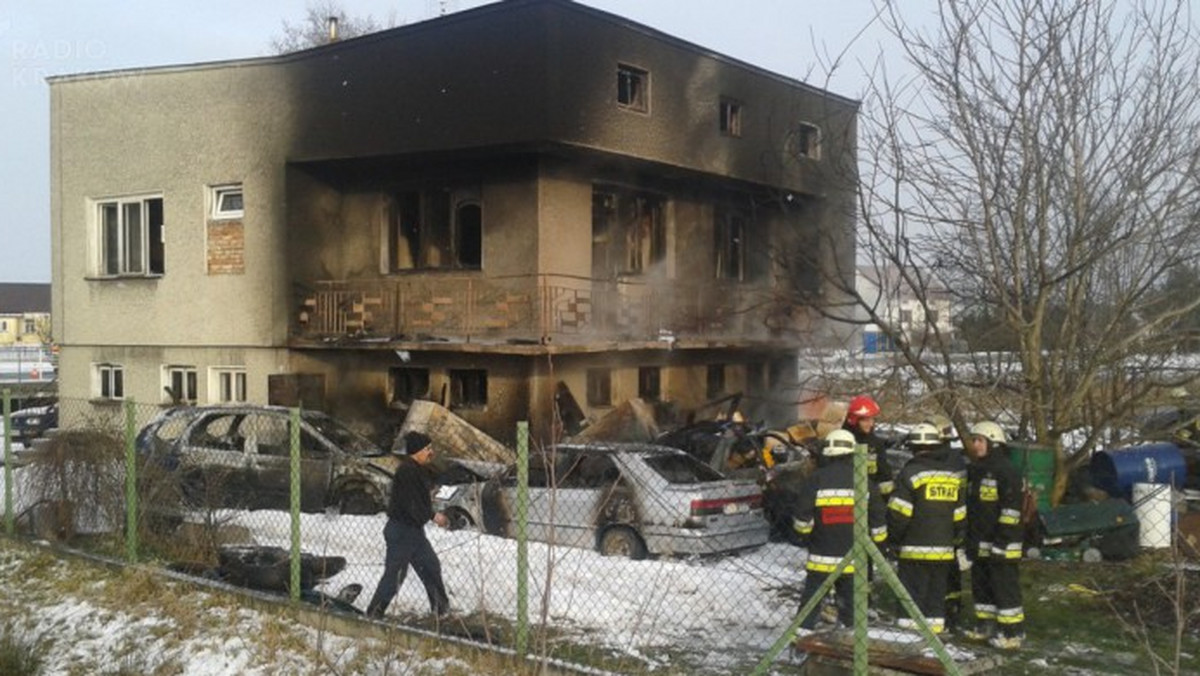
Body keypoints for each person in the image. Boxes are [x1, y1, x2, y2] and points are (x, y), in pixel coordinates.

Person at [792, 429, 888, 630]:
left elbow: (802, 517)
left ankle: (798, 643)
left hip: (821, 557)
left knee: (810, 606)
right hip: (855, 558)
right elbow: (878, 518)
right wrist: (879, 545)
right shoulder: (864, 482)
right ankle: (851, 643)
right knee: (852, 608)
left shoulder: (816, 480)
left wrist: (805, 537)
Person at [887, 423, 966, 635]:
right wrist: (955, 539)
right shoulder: (952, 477)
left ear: (913, 447)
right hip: (944, 551)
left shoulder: (910, 474)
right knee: (936, 596)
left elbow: (899, 514)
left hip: (913, 548)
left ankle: (908, 638)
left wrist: (893, 540)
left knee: (911, 595)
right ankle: (935, 640)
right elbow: (960, 516)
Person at [365, 430, 451, 619]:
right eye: (428, 448)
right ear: (417, 451)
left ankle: (441, 611)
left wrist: (429, 497)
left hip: (412, 531)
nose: (431, 452)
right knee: (395, 575)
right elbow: (412, 504)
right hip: (402, 531)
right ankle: (374, 613)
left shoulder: (415, 470)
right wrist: (433, 515)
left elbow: (417, 498)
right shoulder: (408, 471)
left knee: (430, 566)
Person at [963, 421, 1025, 649]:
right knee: (981, 585)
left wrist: (1002, 543)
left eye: (980, 441)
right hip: (981, 541)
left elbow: (1011, 511)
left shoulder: (1006, 471)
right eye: (974, 440)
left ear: (993, 443)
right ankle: (985, 626)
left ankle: (1012, 633)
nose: (975, 445)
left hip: (1003, 543)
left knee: (1004, 588)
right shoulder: (976, 470)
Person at [843, 395, 894, 497]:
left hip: (870, 498)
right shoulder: (842, 441)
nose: (870, 424)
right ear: (853, 420)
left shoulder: (876, 444)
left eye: (872, 420)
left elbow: (884, 474)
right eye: (865, 420)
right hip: (845, 497)